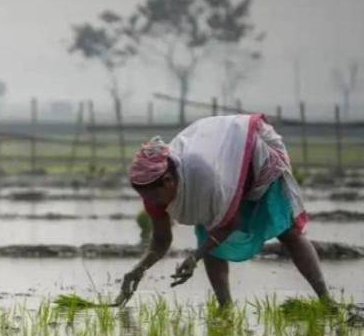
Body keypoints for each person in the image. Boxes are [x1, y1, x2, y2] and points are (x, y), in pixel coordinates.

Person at [118, 113, 330, 307]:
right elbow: (162, 239)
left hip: (252, 161)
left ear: (168, 180)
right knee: (209, 237)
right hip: (221, 172)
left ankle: (326, 300)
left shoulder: (203, 178)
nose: (151, 202)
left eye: (154, 196)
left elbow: (231, 222)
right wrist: (139, 269)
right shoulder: (153, 195)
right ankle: (225, 306)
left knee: (288, 232)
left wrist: (195, 256)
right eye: (146, 198)